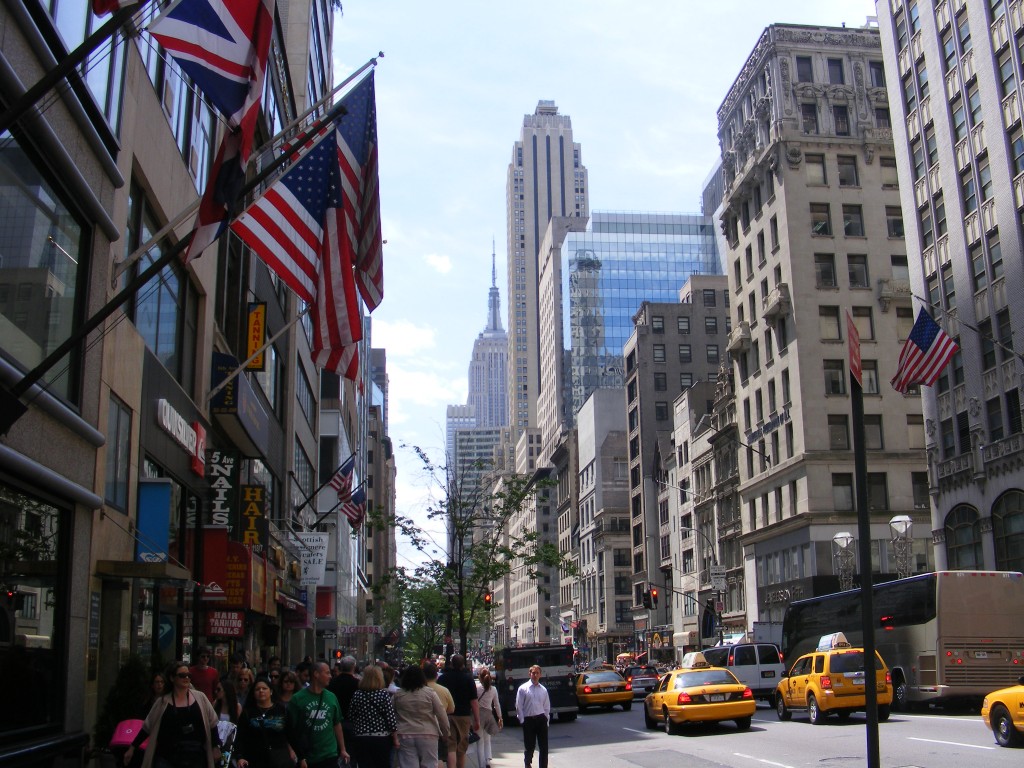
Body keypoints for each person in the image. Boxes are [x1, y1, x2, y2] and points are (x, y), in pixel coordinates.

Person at [124, 661, 222, 768]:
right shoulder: (162, 702)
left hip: (195, 756)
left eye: (188, 675)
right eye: (182, 675)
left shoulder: (200, 698)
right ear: (172, 678)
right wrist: (132, 748)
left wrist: (215, 747)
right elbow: (147, 727)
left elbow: (213, 724)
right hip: (167, 757)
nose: (186, 678)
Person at [285, 661, 349, 768]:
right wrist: (292, 751)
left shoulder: (331, 697)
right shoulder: (297, 699)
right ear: (316, 674)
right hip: (307, 755)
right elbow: (290, 729)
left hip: (329, 754)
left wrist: (343, 749)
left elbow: (336, 723)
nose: (330, 676)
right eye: (327, 673)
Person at [392, 665, 449, 768]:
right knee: (430, 764)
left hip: (405, 734)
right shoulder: (430, 693)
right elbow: (441, 714)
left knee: (408, 765)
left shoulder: (398, 694)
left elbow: (391, 714)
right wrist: (445, 733)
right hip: (428, 733)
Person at [235, 675, 293, 768]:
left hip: (280, 759)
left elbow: (291, 735)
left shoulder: (282, 710)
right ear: (253, 693)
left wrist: (300, 756)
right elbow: (240, 738)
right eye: (257, 689)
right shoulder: (248, 713)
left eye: (264, 688)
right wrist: (239, 757)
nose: (261, 691)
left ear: (271, 691)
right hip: (255, 759)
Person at [347, 665, 398, 768]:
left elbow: (351, 716)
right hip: (381, 737)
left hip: (361, 737)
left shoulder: (357, 694)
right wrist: (395, 738)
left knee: (364, 764)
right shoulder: (383, 694)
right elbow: (390, 719)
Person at [437, 656, 478, 768]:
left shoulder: (443, 679)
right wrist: (476, 720)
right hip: (464, 716)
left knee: (450, 746)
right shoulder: (468, 679)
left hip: (447, 715)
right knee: (461, 748)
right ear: (462, 665)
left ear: (451, 664)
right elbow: (474, 701)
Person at [515, 666, 550, 768]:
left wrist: (546, 719)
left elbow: (547, 707)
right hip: (528, 720)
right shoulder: (523, 688)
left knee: (544, 747)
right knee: (530, 746)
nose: (535, 675)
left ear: (540, 674)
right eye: (533, 673)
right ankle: (528, 763)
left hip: (541, 719)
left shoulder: (543, 690)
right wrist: (522, 720)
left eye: (537, 673)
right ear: (529, 674)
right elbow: (519, 706)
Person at [421, 662, 454, 768]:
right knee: (438, 757)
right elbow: (451, 709)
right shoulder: (444, 690)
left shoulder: (417, 690)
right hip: (439, 727)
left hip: (420, 727)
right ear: (436, 675)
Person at [327, 655, 360, 750]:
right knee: (351, 752)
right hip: (352, 723)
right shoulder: (358, 684)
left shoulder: (332, 683)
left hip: (333, 722)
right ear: (354, 666)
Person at [474, 670, 501, 768]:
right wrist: (500, 717)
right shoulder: (493, 689)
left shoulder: (476, 688)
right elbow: (496, 705)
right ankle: (487, 761)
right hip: (489, 716)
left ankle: (481, 765)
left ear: (480, 678)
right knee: (487, 740)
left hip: (478, 716)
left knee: (479, 742)